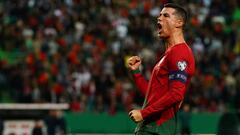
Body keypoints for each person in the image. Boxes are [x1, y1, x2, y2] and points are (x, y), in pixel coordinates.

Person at [127, 3, 195, 135]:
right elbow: (152, 96)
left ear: (179, 22)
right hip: (151, 127)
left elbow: (176, 93)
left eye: (165, 15)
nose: (159, 18)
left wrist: (143, 113)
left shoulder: (180, 52)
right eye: (159, 15)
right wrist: (136, 73)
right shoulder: (168, 54)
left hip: (157, 128)